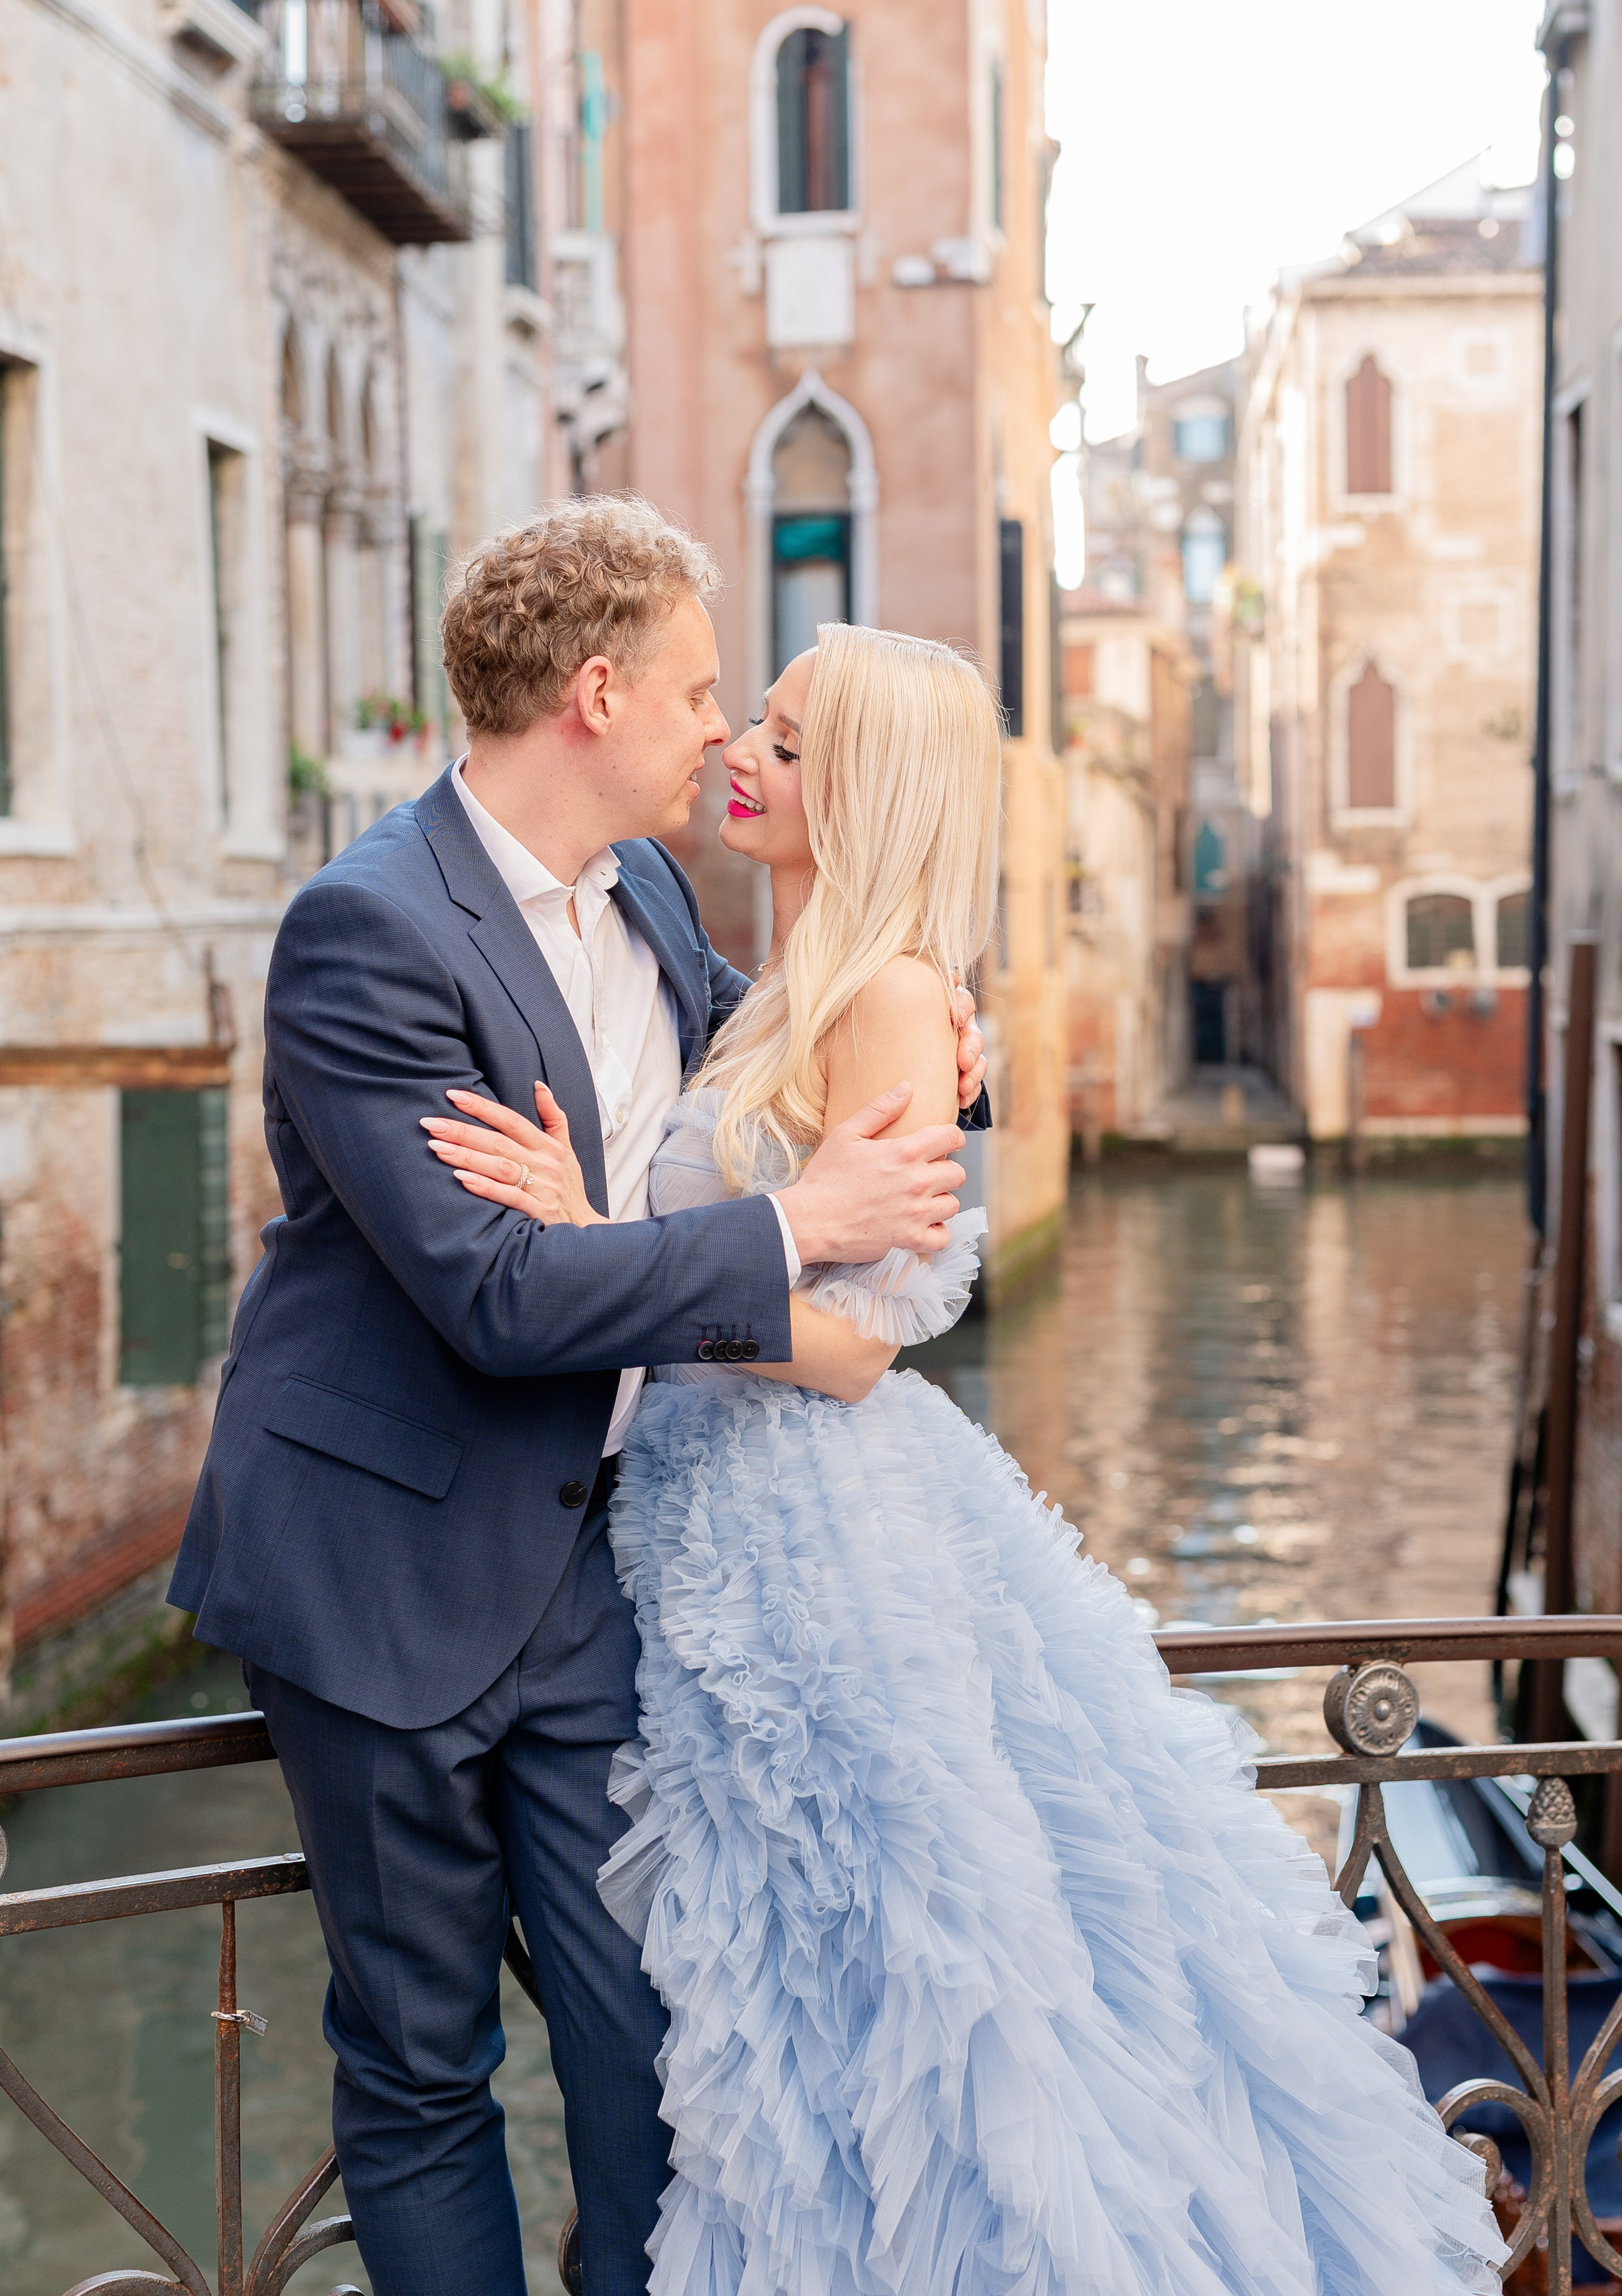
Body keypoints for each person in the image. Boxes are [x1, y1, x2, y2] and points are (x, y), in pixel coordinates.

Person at [431, 623, 1506, 2296]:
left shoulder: (875, 994)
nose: (740, 754)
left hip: (810, 1531)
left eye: (781, 743)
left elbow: (858, 1342)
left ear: (857, 786)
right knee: (795, 1994)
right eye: (754, 725)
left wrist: (586, 1234)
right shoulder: (793, 977)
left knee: (914, 1978)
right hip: (714, 1527)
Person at [167, 497, 989, 2296]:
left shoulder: (650, 897)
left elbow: (754, 1086)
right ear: (598, 693)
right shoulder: (365, 930)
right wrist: (801, 1226)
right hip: (373, 1566)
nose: (726, 729)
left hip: (600, 1576)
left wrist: (935, 1052)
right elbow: (497, 1293)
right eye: (704, 692)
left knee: (658, 2046)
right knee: (420, 2063)